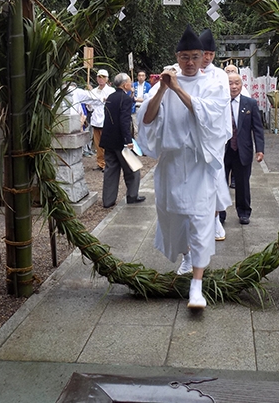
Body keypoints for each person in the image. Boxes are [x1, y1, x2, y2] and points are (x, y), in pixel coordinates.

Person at [139, 25, 230, 310]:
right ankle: (186, 256)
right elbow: (147, 119)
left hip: (199, 164)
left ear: (204, 57)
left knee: (201, 219)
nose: (189, 63)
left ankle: (197, 285)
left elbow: (211, 117)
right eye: (184, 57)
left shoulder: (214, 83)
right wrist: (162, 91)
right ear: (177, 57)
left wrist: (177, 88)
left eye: (194, 57)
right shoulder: (164, 83)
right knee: (174, 217)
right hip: (172, 163)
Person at [199, 28, 233, 240]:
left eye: (211, 54)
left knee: (214, 177)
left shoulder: (220, 75)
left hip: (213, 135)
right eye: (205, 53)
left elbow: (221, 104)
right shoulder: (188, 71)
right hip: (193, 135)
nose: (207, 57)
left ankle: (215, 219)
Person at [224, 73, 265, 225]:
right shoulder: (219, 103)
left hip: (243, 150)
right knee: (220, 184)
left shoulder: (250, 103)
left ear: (242, 85)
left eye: (236, 83)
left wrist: (259, 149)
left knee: (242, 184)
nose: (233, 87)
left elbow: (258, 129)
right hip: (222, 150)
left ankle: (244, 212)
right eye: (230, 83)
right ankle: (220, 214)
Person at [100, 73, 145, 208]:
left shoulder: (110, 97)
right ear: (125, 84)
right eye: (130, 83)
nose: (131, 85)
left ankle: (108, 200)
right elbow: (124, 121)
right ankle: (132, 195)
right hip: (120, 140)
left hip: (108, 139)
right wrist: (128, 140)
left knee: (110, 170)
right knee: (132, 169)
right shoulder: (125, 99)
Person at [86, 69, 115, 171]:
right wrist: (89, 104)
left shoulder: (111, 91)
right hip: (95, 120)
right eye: (99, 77)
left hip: (105, 120)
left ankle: (108, 163)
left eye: (103, 77)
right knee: (98, 144)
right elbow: (90, 107)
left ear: (107, 79)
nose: (101, 79)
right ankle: (100, 163)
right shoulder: (93, 91)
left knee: (106, 144)